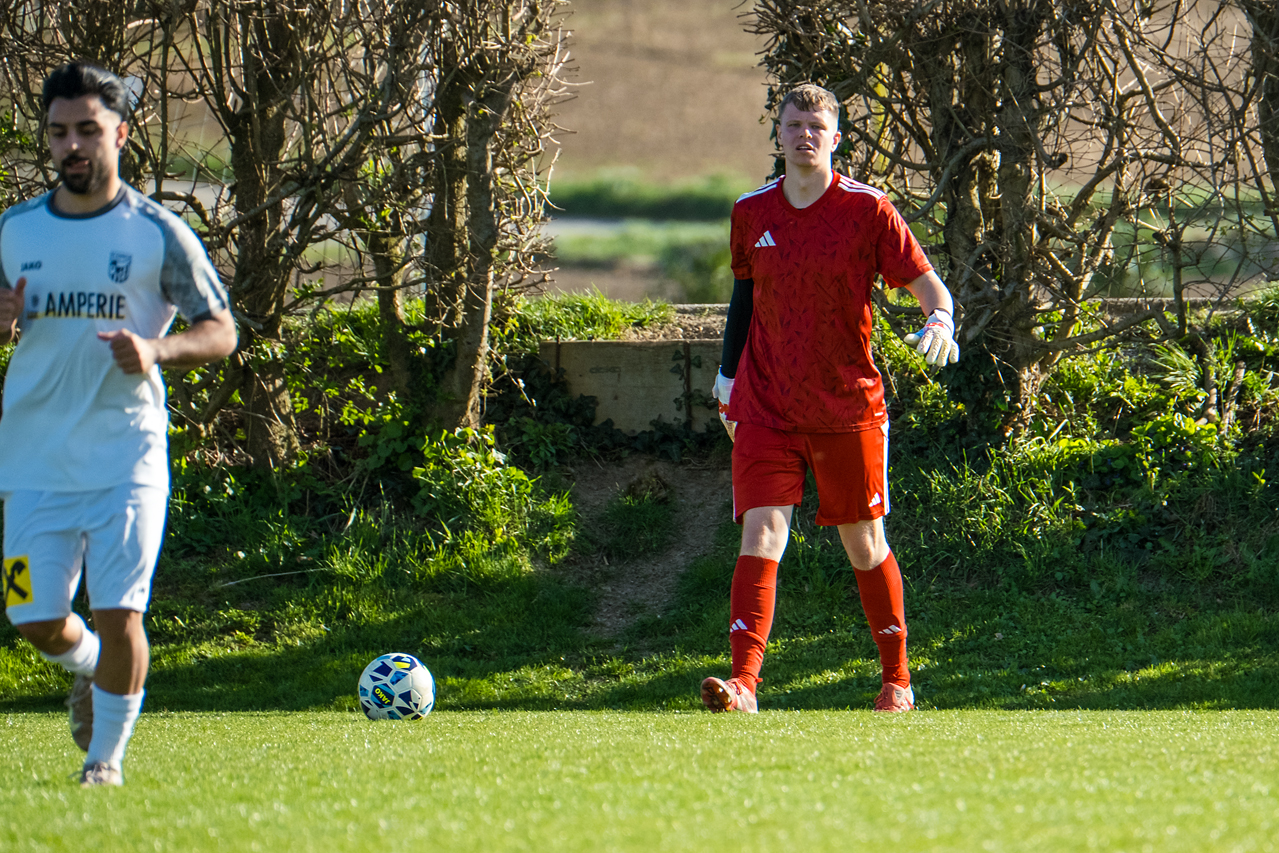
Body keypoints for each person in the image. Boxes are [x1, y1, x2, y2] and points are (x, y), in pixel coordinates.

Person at [0, 63, 237, 785]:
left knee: (119, 613)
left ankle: (103, 763)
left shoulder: (156, 233)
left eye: (87, 130)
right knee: (28, 613)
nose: (72, 145)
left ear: (121, 134)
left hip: (126, 458)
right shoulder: (14, 229)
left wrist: (158, 349)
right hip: (33, 458)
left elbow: (221, 330)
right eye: (58, 132)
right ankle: (90, 667)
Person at [701, 83, 959, 714]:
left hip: (848, 408)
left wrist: (941, 318)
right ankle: (743, 686)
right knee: (761, 534)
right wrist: (728, 376)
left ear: (836, 138)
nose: (805, 136)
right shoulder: (750, 211)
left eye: (817, 126)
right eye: (794, 125)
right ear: (779, 135)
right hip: (766, 405)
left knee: (864, 543)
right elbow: (743, 297)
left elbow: (930, 286)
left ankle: (897, 682)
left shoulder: (868, 210)